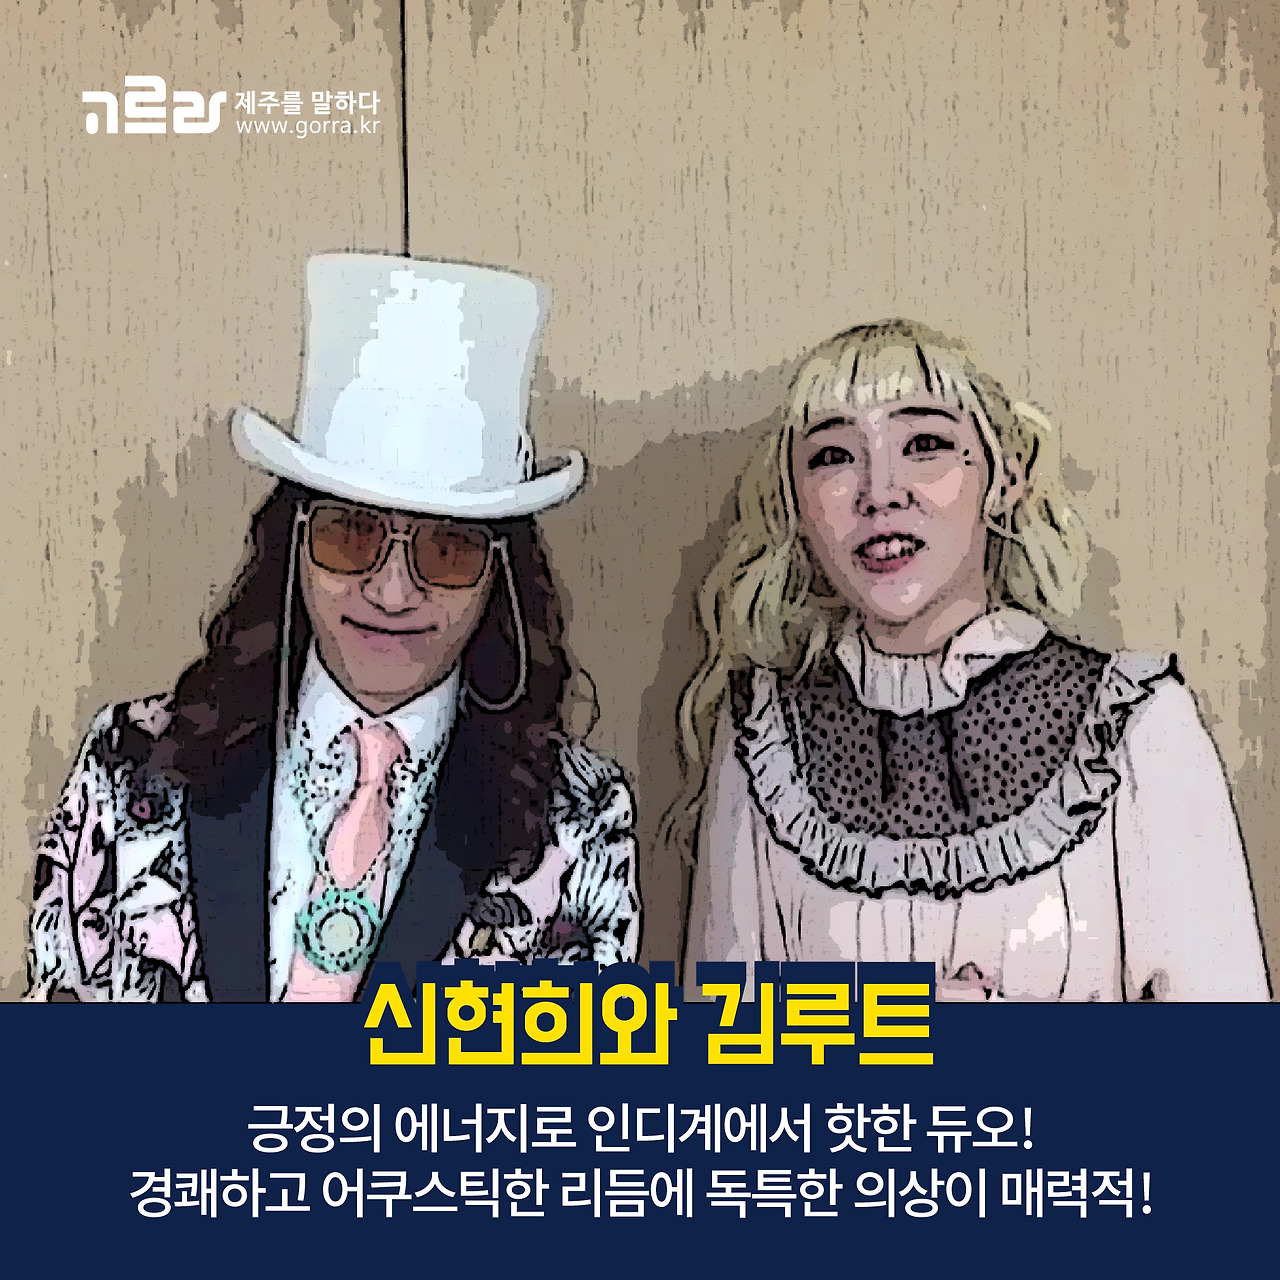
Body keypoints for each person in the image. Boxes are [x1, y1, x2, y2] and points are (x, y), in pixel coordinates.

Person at [25, 254, 640, 1002]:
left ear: (500, 575)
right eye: (351, 534)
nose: (391, 591)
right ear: (293, 542)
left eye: (447, 550)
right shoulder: (130, 764)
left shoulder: (578, 819)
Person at [676, 319, 1268, 1001]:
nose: (879, 492)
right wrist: (894, 1029)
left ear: (1005, 477)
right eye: (833, 456)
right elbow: (715, 1051)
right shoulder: (764, 739)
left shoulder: (1136, 723)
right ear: (797, 504)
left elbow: (1231, 1056)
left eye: (924, 445)